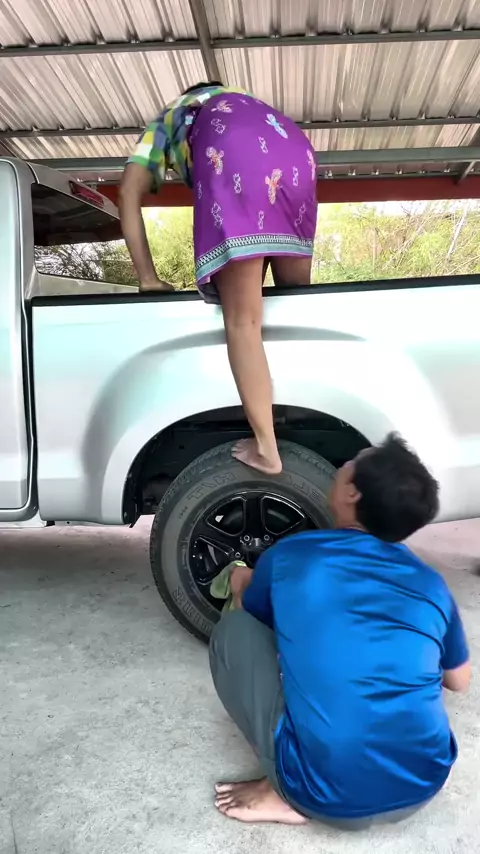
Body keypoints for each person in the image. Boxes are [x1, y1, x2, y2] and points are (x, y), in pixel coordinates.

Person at [209, 433, 471, 827]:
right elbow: (458, 680)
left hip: (323, 797)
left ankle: (284, 793)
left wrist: (240, 577)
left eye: (351, 462)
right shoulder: (431, 584)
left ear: (352, 492)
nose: (343, 464)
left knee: (235, 632)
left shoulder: (294, 555)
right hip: (423, 788)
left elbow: (254, 609)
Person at [119, 81, 317, 476]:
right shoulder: (248, 102)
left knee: (242, 321)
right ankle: (309, 419)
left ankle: (267, 448)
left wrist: (148, 277)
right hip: (296, 150)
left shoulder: (172, 117)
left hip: (235, 151)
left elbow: (127, 193)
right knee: (296, 302)